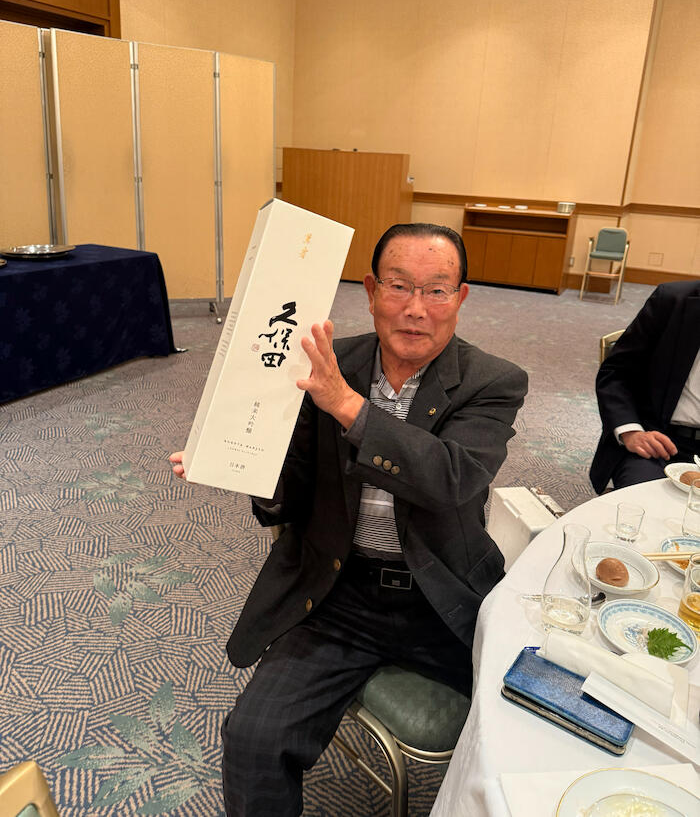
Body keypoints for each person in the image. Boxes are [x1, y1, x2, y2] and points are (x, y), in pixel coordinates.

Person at [170, 222, 527, 817]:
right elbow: (291, 487)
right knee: (253, 739)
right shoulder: (327, 364)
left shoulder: (492, 381)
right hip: (340, 592)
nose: (416, 309)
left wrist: (344, 405)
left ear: (461, 296)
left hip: (442, 598)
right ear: (370, 290)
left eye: (437, 290)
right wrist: (238, 463)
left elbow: (450, 479)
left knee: (526, 723)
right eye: (399, 286)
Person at [590, 279, 700, 494]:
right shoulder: (672, 299)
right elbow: (616, 373)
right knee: (647, 502)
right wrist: (631, 432)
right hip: (657, 440)